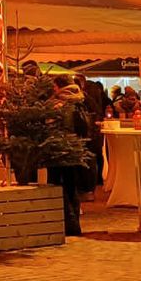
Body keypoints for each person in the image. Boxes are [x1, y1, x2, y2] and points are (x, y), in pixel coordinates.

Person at [51, 75, 90, 236]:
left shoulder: (60, 103)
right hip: (76, 147)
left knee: (58, 186)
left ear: (59, 86)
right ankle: (75, 224)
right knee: (72, 186)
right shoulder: (79, 99)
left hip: (61, 148)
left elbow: (60, 126)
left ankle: (69, 224)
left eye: (54, 86)